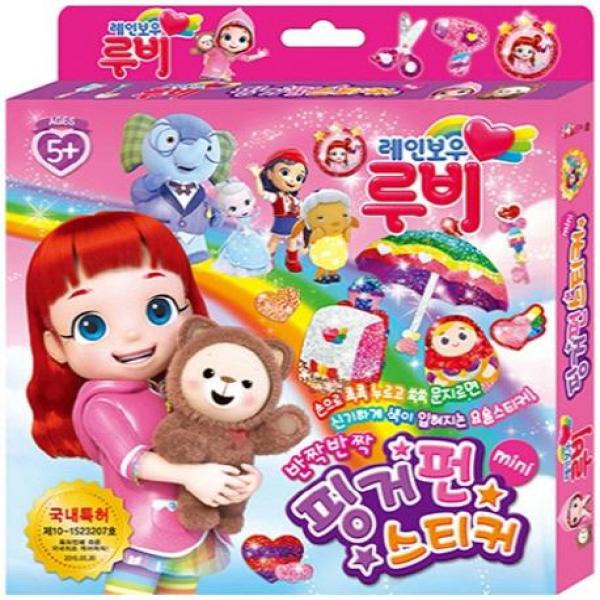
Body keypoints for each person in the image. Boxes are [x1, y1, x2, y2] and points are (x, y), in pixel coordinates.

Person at [26, 212, 262, 594]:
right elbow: (132, 460)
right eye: (91, 326)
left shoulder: (180, 391)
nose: (134, 334)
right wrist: (191, 476)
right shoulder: (102, 404)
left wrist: (239, 477)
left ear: (189, 309)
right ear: (56, 346)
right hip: (141, 527)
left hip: (191, 522)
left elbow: (216, 442)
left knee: (180, 589)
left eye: (158, 309)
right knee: (129, 589)